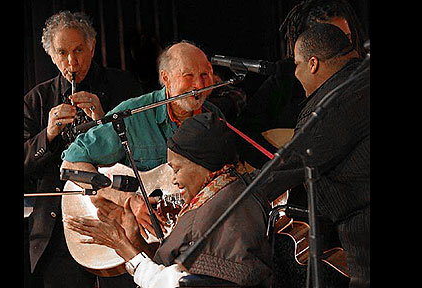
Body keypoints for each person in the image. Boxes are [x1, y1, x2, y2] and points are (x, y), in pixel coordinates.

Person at [64, 112, 274, 288]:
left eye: (177, 169)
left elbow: (178, 284)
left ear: (201, 164)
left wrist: (122, 246)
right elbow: (164, 271)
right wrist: (134, 240)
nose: (174, 180)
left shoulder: (225, 214)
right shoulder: (221, 194)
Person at [24, 10, 143, 288]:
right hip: (58, 232)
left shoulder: (123, 86)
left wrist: (105, 124)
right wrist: (49, 135)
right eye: (62, 53)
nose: (71, 61)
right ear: (52, 56)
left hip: (118, 220)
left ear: (92, 46)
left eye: (78, 50)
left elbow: (146, 153)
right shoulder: (36, 100)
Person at [60, 40, 224, 237]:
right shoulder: (132, 115)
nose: (199, 85)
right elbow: (71, 165)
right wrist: (126, 199)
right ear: (166, 78)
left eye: (204, 75)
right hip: (141, 239)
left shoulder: (214, 118)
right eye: (188, 76)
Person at [257, 23, 369, 288]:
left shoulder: (332, 101)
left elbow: (289, 167)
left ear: (313, 63)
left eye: (297, 64)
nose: (295, 73)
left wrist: (229, 190)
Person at [236, 0, 367, 170]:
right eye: (331, 39)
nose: (342, 48)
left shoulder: (363, 75)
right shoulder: (286, 76)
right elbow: (243, 132)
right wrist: (283, 166)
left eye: (347, 39)